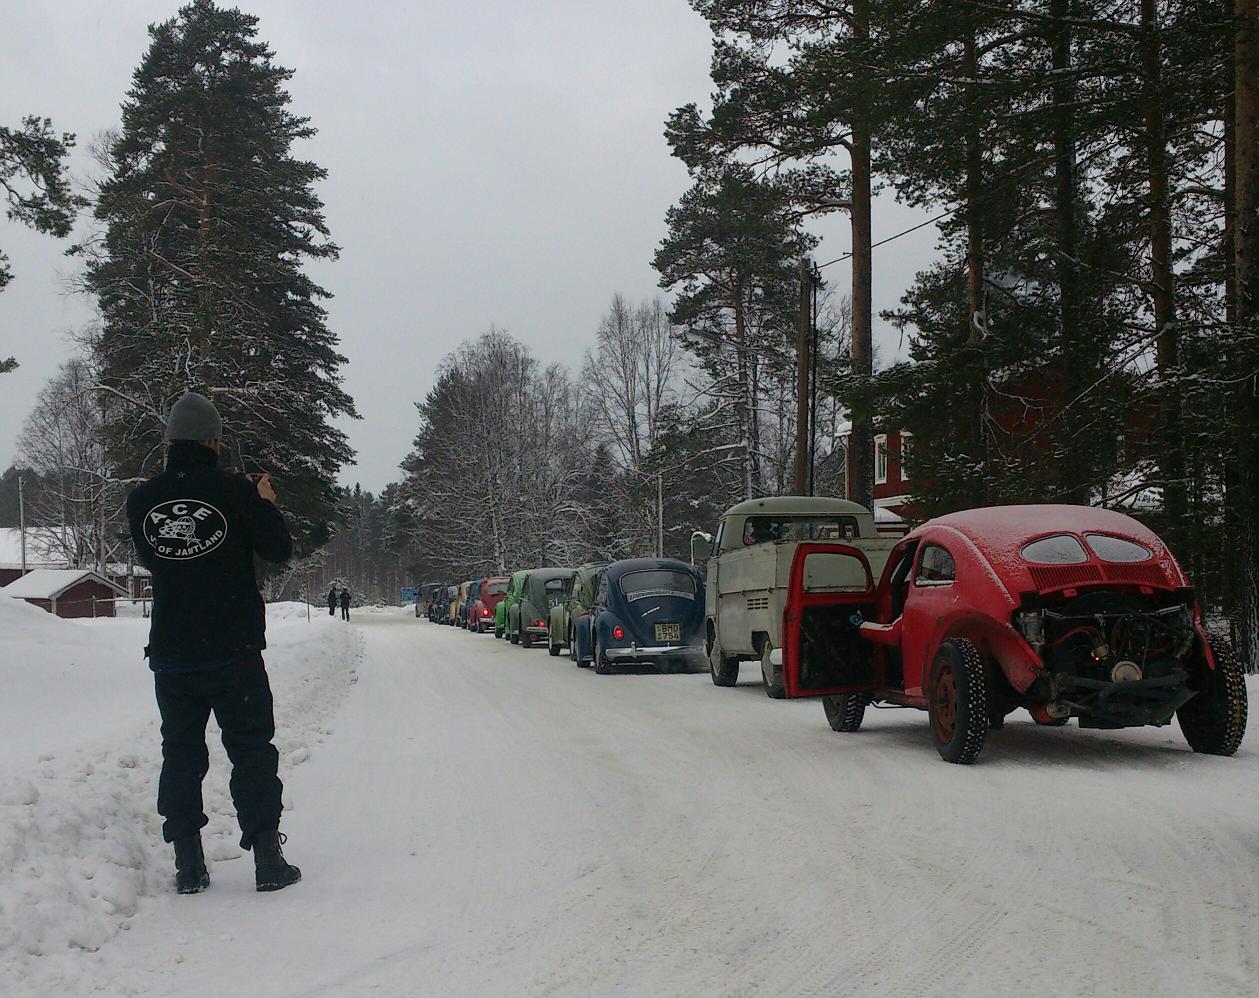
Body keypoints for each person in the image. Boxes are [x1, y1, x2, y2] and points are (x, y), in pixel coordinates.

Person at [126, 392, 302, 895]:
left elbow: (156, 560)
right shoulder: (236, 492)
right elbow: (278, 550)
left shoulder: (141, 500)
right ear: (213, 441)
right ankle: (267, 858)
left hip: (172, 654)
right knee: (251, 750)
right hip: (233, 650)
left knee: (181, 754)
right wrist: (262, 503)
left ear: (169, 442)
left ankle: (188, 864)